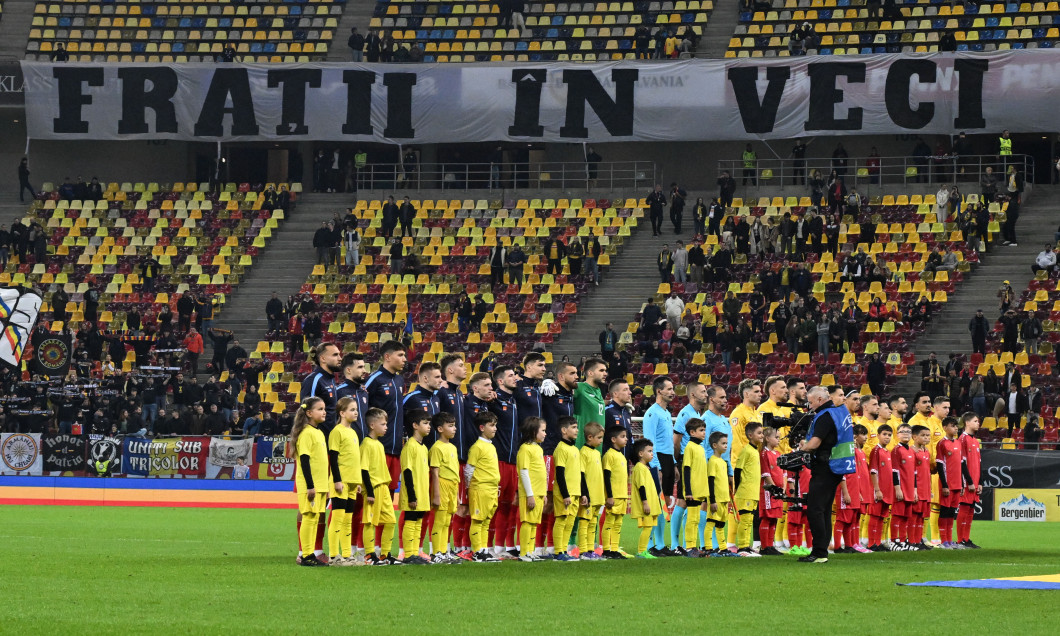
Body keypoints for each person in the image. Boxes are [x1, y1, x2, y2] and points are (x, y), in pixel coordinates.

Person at [797, 385, 855, 563]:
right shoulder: (839, 412)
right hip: (836, 466)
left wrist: (802, 449)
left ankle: (819, 552)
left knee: (815, 509)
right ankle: (822, 552)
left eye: (811, 402)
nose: (809, 405)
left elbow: (815, 443)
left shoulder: (825, 415)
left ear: (820, 400)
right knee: (824, 510)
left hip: (825, 466)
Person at [327, 397, 363, 566]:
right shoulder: (337, 431)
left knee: (348, 519)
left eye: (356, 409)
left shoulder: (353, 432)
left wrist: (357, 481)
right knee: (338, 518)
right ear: (342, 413)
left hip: (352, 482)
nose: (356, 412)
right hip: (340, 481)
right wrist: (337, 480)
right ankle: (334, 555)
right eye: (352, 409)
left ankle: (347, 555)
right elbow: (333, 458)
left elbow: (354, 459)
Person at [642, 376, 676, 555]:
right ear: (659, 391)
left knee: (664, 502)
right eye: (669, 389)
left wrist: (674, 464)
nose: (672, 392)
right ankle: (649, 545)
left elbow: (668, 441)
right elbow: (650, 442)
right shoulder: (652, 413)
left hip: (668, 459)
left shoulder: (666, 413)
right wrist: (656, 467)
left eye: (672, 388)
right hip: (658, 460)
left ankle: (661, 544)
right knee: (655, 503)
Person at [293, 398, 329, 566]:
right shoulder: (306, 433)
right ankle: (306, 555)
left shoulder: (319, 432)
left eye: (324, 409)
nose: (324, 412)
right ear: (309, 413)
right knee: (309, 517)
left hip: (320, 485)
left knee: (314, 519)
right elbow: (305, 460)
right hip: (311, 485)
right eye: (320, 409)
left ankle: (311, 553)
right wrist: (310, 486)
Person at [466, 412, 501, 562]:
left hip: (492, 489)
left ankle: (484, 550)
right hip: (480, 488)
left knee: (486, 521)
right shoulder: (477, 447)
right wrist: (470, 488)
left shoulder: (491, 446)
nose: (495, 428)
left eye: (495, 425)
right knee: (478, 520)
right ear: (482, 427)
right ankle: (477, 552)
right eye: (491, 425)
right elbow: (469, 470)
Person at [397, 410, 431, 565]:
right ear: (415, 425)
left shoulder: (423, 447)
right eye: (425, 423)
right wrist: (411, 495)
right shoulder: (410, 446)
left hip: (422, 492)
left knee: (418, 522)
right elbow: (407, 471)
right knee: (410, 522)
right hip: (413, 493)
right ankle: (408, 554)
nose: (429, 426)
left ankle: (415, 552)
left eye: (429, 423)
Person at [550, 416, 582, 562]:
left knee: (570, 522)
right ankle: (558, 552)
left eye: (577, 427)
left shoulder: (575, 449)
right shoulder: (561, 448)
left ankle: (564, 551)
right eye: (573, 427)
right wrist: (565, 494)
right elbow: (560, 473)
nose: (577, 430)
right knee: (561, 520)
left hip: (575, 492)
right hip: (565, 493)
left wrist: (581, 492)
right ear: (564, 430)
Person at [516, 416, 547, 561]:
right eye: (543, 430)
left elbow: (541, 473)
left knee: (534, 523)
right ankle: (523, 553)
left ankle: (530, 550)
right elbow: (524, 472)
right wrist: (529, 494)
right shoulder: (525, 449)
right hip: (530, 493)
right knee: (528, 522)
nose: (545, 433)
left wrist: (544, 493)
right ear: (534, 431)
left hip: (539, 493)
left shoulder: (538, 449)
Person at [730, 422, 763, 557]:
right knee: (745, 519)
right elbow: (737, 470)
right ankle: (742, 548)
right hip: (745, 492)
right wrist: (737, 488)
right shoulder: (746, 451)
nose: (762, 435)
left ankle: (746, 546)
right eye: (759, 433)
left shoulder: (755, 451)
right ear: (750, 435)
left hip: (753, 492)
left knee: (749, 520)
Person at [680, 418, 709, 557]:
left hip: (700, 490)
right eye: (701, 430)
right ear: (692, 432)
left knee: (696, 519)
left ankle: (694, 547)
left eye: (704, 430)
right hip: (693, 491)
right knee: (691, 519)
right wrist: (688, 491)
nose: (704, 433)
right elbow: (686, 469)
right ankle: (689, 547)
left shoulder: (700, 447)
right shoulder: (689, 447)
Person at [577, 423, 606, 560]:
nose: (601, 440)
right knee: (584, 522)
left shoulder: (596, 453)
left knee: (593, 522)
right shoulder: (583, 452)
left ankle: (590, 550)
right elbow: (581, 474)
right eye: (599, 438)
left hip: (598, 495)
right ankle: (583, 551)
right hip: (588, 496)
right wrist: (584, 493)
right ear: (590, 437)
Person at [601, 426, 630, 559]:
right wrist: (609, 496)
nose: (626, 439)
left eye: (626, 436)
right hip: (614, 496)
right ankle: (606, 550)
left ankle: (614, 549)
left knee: (618, 524)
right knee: (609, 523)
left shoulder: (622, 456)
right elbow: (606, 477)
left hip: (622, 495)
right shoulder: (609, 455)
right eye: (622, 436)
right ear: (613, 439)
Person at [935, 417, 964, 549]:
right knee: (945, 511)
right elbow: (940, 466)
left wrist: (962, 483)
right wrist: (944, 485)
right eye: (953, 426)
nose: (956, 428)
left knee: (952, 512)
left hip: (957, 484)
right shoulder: (942, 443)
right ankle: (943, 541)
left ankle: (950, 540)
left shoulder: (958, 443)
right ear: (945, 428)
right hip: (947, 484)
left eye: (956, 426)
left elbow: (961, 465)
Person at [630, 438, 661, 558]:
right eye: (649, 451)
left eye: (652, 451)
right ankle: (641, 551)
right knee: (647, 528)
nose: (652, 453)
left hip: (651, 503)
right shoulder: (639, 468)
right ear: (641, 453)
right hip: (647, 504)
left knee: (649, 527)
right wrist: (645, 503)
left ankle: (644, 551)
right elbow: (641, 486)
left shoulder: (645, 468)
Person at [866, 423, 894, 551]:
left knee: (882, 517)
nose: (887, 437)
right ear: (878, 435)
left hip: (887, 490)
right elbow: (873, 471)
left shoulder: (887, 452)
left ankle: (878, 542)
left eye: (889, 435)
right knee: (875, 516)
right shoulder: (876, 450)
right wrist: (877, 490)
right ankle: (871, 543)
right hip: (878, 490)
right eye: (884, 434)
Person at [889, 424, 916, 551]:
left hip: (910, 489)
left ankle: (903, 540)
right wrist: (897, 488)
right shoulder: (896, 450)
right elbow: (894, 471)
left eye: (908, 431)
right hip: (901, 488)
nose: (905, 433)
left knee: (906, 516)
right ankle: (893, 541)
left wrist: (915, 489)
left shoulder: (911, 450)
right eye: (902, 431)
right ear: (897, 435)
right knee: (897, 515)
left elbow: (914, 472)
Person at [958, 413, 982, 549]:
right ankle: (960, 540)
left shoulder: (975, 441)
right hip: (967, 482)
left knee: (971, 509)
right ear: (967, 423)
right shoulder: (962, 439)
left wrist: (980, 482)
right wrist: (969, 481)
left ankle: (966, 539)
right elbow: (961, 463)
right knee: (964, 507)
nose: (978, 423)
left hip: (975, 481)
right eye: (975, 421)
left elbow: (979, 462)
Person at [705, 431, 730, 555]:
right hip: (716, 499)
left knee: (720, 525)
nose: (726, 446)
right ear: (715, 445)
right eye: (723, 443)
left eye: (726, 443)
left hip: (724, 499)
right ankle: (708, 548)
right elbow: (710, 481)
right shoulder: (712, 461)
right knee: (710, 523)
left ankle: (723, 548)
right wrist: (712, 500)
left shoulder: (723, 462)